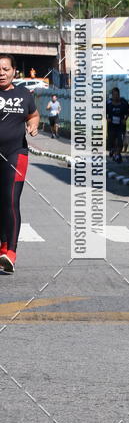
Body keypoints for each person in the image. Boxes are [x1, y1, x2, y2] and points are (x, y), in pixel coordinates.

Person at [0, 53, 40, 273]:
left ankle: (11, 253)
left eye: (6, 69)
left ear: (14, 71)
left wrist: (33, 125)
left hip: (16, 153)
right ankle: (3, 247)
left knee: (10, 200)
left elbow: (33, 115)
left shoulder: (24, 94)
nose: (1, 73)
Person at [106, 87, 129, 163]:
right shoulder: (108, 103)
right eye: (114, 95)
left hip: (121, 126)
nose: (116, 96)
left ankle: (117, 155)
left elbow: (128, 111)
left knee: (120, 141)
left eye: (117, 94)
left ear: (119, 94)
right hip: (111, 126)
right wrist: (107, 118)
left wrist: (125, 119)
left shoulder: (123, 102)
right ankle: (113, 150)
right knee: (112, 140)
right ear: (112, 95)